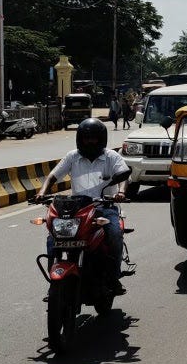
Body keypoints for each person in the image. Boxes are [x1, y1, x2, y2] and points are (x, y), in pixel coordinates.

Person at [35, 118, 131, 293]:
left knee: (115, 234)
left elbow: (124, 176)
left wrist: (121, 193)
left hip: (104, 207)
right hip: (77, 208)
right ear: (80, 138)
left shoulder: (111, 157)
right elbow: (53, 176)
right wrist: (42, 192)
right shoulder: (73, 156)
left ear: (101, 139)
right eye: (87, 138)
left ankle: (113, 277)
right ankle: (53, 282)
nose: (90, 142)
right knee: (54, 238)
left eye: (94, 138)